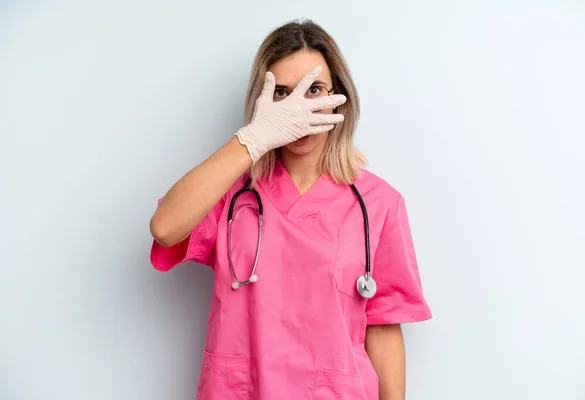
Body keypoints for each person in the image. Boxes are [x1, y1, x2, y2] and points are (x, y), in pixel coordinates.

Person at [149, 20, 431, 400]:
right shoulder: (230, 193)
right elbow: (165, 228)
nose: (298, 108)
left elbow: (382, 326)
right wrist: (253, 139)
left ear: (338, 95)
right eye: (282, 93)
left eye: (313, 89)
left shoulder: (379, 204)